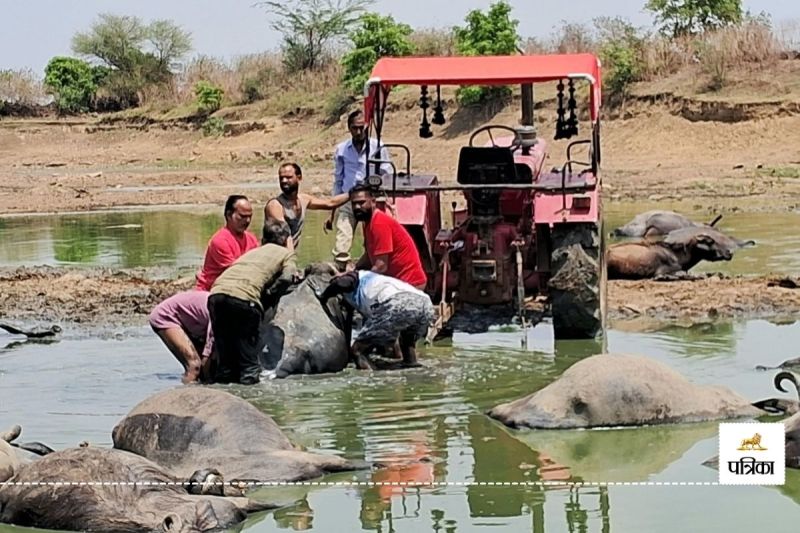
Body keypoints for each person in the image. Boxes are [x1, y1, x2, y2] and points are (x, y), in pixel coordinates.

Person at [207, 218, 298, 385]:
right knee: (249, 365)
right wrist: (269, 295)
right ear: (286, 240)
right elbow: (288, 277)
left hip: (216, 295)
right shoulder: (286, 253)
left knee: (226, 362)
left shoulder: (252, 252)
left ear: (263, 240)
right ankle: (251, 401)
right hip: (244, 299)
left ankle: (221, 398)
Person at [318, 269, 434, 369]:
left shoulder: (356, 277)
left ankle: (370, 383)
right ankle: (411, 366)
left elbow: (341, 283)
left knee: (357, 350)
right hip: (425, 305)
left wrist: (324, 296)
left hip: (397, 302)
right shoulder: (376, 283)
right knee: (407, 344)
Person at [327, 109, 393, 270]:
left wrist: (388, 199)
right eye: (355, 128)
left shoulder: (377, 146)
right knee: (343, 233)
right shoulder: (342, 149)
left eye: (361, 127)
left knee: (373, 233)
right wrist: (332, 211)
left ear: (366, 126)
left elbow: (387, 172)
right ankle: (341, 266)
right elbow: (338, 179)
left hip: (370, 197)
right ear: (349, 128)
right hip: (348, 197)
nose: (358, 131)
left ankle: (371, 264)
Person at [349, 183, 427, 289]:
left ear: (373, 202)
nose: (357, 207)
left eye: (361, 203)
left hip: (409, 283)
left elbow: (381, 266)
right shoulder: (367, 223)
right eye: (354, 204)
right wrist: (353, 270)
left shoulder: (379, 223)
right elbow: (369, 256)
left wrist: (359, 279)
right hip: (396, 282)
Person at [264, 162, 350, 251]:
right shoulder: (275, 205)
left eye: (288, 177)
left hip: (288, 255)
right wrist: (290, 261)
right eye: (281, 178)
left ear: (299, 177)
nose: (284, 181)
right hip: (274, 257)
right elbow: (285, 236)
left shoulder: (303, 200)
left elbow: (330, 203)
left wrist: (352, 194)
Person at [149, 290, 214, 384]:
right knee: (194, 365)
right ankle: (187, 395)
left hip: (193, 322)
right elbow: (208, 355)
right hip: (166, 316)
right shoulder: (220, 318)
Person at [196, 195, 259, 291]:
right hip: (212, 291)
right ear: (229, 215)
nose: (247, 221)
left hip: (237, 288)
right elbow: (235, 273)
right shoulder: (220, 240)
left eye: (250, 216)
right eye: (242, 216)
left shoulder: (251, 238)